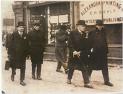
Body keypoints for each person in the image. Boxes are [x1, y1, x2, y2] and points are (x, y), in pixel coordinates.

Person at [67, 20, 93, 88]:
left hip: (81, 54)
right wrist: (74, 51)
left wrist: (83, 52)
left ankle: (86, 83)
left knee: (84, 67)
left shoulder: (84, 34)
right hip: (73, 54)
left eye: (84, 26)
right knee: (71, 68)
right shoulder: (72, 33)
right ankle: (69, 79)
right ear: (78, 26)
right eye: (82, 26)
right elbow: (70, 44)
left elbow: (85, 45)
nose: (84, 27)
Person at [88, 20, 113, 86]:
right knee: (90, 66)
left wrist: (106, 51)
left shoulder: (104, 32)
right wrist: (89, 51)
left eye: (101, 25)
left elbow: (105, 42)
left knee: (104, 67)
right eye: (99, 25)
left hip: (102, 52)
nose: (100, 27)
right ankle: (87, 79)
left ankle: (106, 81)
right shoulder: (92, 32)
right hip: (94, 52)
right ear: (96, 25)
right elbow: (89, 42)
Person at [8, 22, 29, 86]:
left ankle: (22, 80)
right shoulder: (13, 34)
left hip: (23, 54)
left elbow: (27, 45)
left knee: (23, 67)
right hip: (15, 54)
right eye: (20, 27)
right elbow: (10, 45)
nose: (22, 28)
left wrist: (28, 54)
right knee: (14, 66)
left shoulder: (26, 35)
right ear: (17, 28)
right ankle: (13, 74)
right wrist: (9, 54)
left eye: (23, 27)